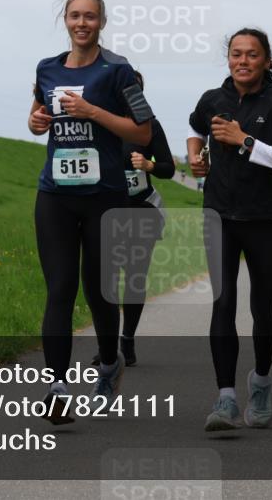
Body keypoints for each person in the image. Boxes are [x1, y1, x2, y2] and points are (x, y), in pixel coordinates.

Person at [29, 0, 153, 423]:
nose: (82, 23)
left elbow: (142, 132)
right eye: (75, 15)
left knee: (98, 290)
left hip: (105, 197)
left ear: (102, 22)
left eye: (90, 17)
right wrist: (36, 121)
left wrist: (92, 112)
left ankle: (108, 360)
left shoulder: (118, 72)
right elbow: (36, 114)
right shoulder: (47, 67)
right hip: (56, 195)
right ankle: (58, 389)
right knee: (60, 289)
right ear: (65, 19)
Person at [186, 28, 272, 431]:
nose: (242, 61)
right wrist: (194, 159)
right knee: (222, 305)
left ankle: (261, 381)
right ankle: (225, 399)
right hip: (219, 216)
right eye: (236, 54)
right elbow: (195, 128)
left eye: (251, 54)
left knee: (262, 309)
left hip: (265, 221)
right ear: (228, 59)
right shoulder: (212, 100)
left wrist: (244, 140)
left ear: (267, 60)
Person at [90, 70, 175, 368]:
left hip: (142, 211)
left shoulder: (150, 126)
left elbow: (168, 168)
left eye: (134, 90)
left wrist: (149, 164)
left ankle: (128, 339)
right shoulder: (101, 123)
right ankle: (109, 346)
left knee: (135, 278)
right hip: (107, 213)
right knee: (106, 280)